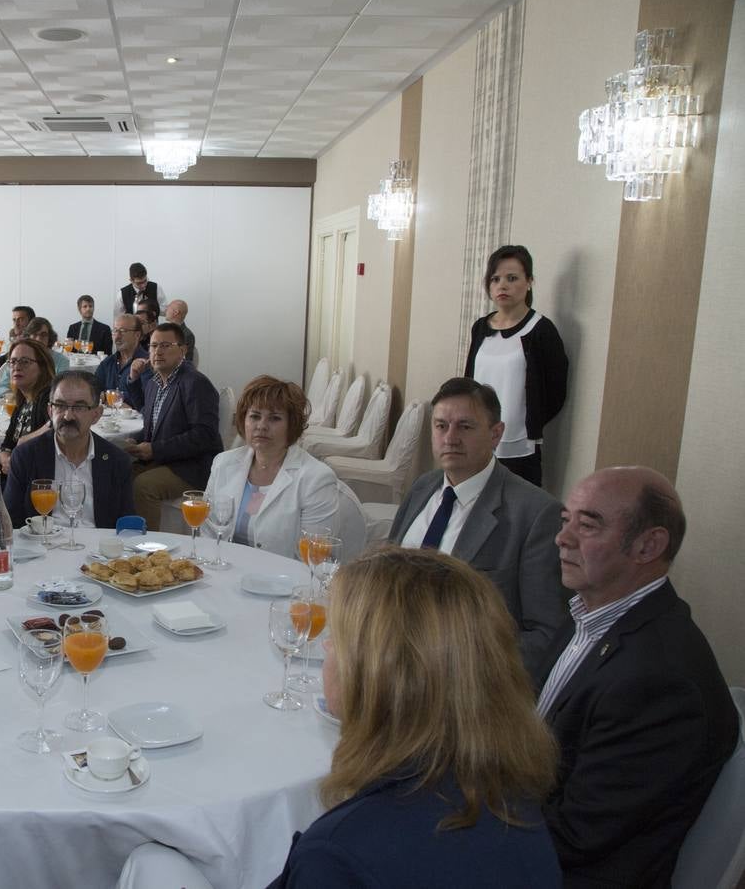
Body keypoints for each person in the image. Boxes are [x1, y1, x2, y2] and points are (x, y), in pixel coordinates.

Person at [268, 547, 560, 888]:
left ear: (379, 674)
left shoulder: (340, 856)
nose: (327, 648)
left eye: (338, 639)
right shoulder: (516, 805)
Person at [536, 466, 738, 887]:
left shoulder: (660, 681)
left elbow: (575, 836)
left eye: (587, 525)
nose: (562, 538)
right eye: (565, 520)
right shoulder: (586, 616)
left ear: (648, 545)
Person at [388, 378, 566, 680]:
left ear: (496, 434)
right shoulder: (423, 487)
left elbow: (547, 635)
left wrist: (460, 668)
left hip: (464, 680)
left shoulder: (536, 514)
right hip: (390, 658)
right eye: (441, 426)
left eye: (465, 427)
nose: (450, 438)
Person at [465, 245, 568, 486]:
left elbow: (555, 392)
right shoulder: (480, 327)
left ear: (529, 281)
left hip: (518, 445)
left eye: (512, 278)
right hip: (478, 438)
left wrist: (528, 422)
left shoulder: (541, 330)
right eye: (496, 279)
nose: (502, 286)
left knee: (516, 504)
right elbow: (469, 381)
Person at [205, 375, 338, 556]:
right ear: (243, 420)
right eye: (255, 416)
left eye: (274, 418)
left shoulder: (316, 478)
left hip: (284, 573)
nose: (262, 426)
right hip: (224, 566)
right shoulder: (223, 463)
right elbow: (208, 531)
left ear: (292, 425)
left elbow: (313, 555)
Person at [4, 370, 134, 528]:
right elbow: (10, 522)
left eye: (79, 407)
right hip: (43, 542)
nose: (68, 416)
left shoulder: (117, 461)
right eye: (60, 405)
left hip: (98, 543)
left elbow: (127, 526)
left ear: (96, 414)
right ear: (50, 411)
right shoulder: (26, 456)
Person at [124, 322, 222, 530]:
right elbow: (153, 425)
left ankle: (147, 544)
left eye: (166, 345)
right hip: (166, 459)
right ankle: (124, 534)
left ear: (183, 351)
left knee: (144, 486)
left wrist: (155, 449)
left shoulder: (195, 383)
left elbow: (205, 435)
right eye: (153, 346)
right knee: (119, 472)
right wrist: (137, 440)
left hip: (192, 467)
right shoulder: (154, 383)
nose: (157, 351)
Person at [0, 337, 54, 474]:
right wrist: (5, 459)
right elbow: (7, 444)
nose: (17, 367)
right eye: (13, 362)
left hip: (39, 477)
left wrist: (25, 440)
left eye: (25, 361)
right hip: (18, 471)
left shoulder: (48, 396)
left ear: (42, 368)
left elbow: (57, 424)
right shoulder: (22, 402)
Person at [0, 317, 69, 403]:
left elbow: (61, 390)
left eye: (43, 335)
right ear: (28, 336)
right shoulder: (18, 358)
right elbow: (1, 387)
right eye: (35, 334)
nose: (39, 339)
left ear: (49, 338)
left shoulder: (61, 361)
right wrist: (14, 399)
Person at [93, 314, 147, 400]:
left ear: (137, 335)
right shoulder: (108, 363)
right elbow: (93, 390)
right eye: (115, 331)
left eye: (123, 331)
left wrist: (107, 396)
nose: (117, 337)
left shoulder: (146, 363)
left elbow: (146, 397)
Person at [0, 306, 38, 391]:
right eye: (14, 320)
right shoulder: (16, 337)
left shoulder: (36, 340)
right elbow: (8, 356)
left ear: (31, 322)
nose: (16, 324)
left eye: (20, 319)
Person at [164, 299, 196, 364]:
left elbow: (187, 362)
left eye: (168, 308)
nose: (165, 310)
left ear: (176, 312)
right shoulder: (162, 331)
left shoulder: (187, 335)